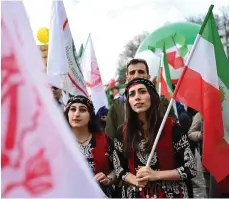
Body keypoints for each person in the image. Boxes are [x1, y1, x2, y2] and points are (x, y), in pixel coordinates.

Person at [113, 78, 197, 198]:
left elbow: (191, 168)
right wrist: (134, 179)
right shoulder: (122, 132)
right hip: (136, 193)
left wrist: (156, 175)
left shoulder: (172, 128)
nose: (137, 97)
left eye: (142, 92)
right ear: (128, 102)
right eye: (132, 94)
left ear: (152, 96)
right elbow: (118, 167)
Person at [64, 95, 116, 197]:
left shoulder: (105, 140)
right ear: (67, 114)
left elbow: (118, 169)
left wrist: (108, 179)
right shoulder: (59, 142)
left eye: (82, 110)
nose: (77, 114)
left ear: (90, 116)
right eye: (73, 109)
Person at [106, 58, 150, 137]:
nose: (136, 76)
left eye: (141, 72)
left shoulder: (162, 102)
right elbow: (110, 139)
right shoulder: (116, 107)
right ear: (126, 79)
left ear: (148, 77)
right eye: (132, 73)